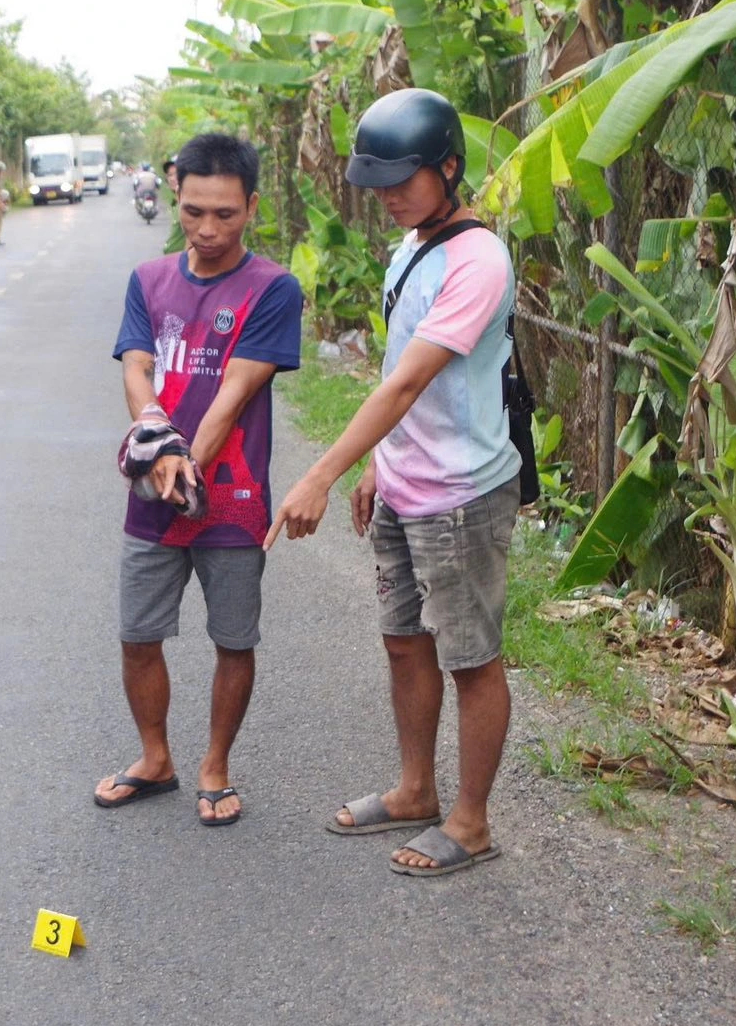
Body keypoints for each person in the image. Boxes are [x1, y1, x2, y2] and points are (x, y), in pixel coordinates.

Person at [265, 88, 521, 877]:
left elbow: (406, 385)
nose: (386, 198)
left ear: (448, 166)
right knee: (403, 644)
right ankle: (415, 789)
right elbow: (400, 367)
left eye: (401, 180)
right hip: (406, 484)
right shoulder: (410, 243)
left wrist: (320, 470)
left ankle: (470, 822)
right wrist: (379, 463)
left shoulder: (477, 260)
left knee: (469, 657)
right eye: (376, 184)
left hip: (460, 495)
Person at [96, 132, 303, 826]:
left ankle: (215, 763)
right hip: (154, 495)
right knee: (137, 633)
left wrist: (181, 456)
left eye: (224, 213)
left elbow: (237, 390)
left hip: (233, 499)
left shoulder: (273, 288)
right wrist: (156, 444)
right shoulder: (148, 280)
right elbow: (134, 367)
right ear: (174, 194)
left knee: (233, 637)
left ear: (251, 205)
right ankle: (155, 757)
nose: (207, 228)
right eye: (192, 211)